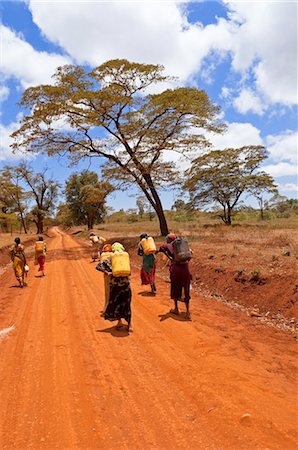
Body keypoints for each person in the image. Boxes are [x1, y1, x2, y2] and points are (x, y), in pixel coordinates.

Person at [96, 242, 132, 332]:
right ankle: (130, 325)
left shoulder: (111, 258)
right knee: (127, 304)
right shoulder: (125, 258)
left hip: (115, 285)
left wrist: (107, 272)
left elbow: (98, 266)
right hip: (126, 285)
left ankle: (119, 322)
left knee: (117, 303)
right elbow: (129, 272)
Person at [158, 233, 192, 320]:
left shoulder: (168, 246)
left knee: (175, 288)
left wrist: (170, 257)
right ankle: (187, 312)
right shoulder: (183, 246)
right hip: (185, 269)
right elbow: (190, 255)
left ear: (169, 240)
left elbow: (161, 248)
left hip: (176, 269)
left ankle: (176, 308)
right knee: (186, 288)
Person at [98, 243, 112, 315]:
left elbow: (98, 267)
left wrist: (106, 272)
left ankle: (106, 309)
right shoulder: (114, 255)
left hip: (107, 276)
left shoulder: (103, 256)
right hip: (115, 276)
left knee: (107, 293)